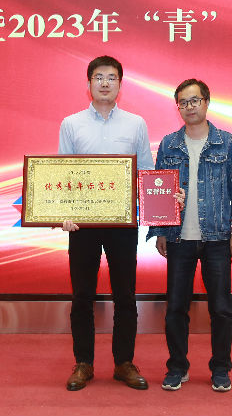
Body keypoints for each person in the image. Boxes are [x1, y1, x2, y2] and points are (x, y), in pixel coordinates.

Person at [58, 55, 155, 391]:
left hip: (123, 222)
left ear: (120, 85)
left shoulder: (136, 124)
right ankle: (83, 363)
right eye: (98, 77)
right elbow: (63, 174)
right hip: (82, 223)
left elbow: (146, 173)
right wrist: (63, 213)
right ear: (88, 84)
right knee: (82, 295)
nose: (104, 83)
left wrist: (158, 208)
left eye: (111, 77)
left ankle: (124, 363)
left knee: (125, 295)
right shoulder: (71, 124)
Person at [147, 78, 232, 393]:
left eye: (195, 101)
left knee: (221, 308)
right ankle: (177, 367)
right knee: (176, 308)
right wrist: (160, 231)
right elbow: (159, 189)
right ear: (177, 107)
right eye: (183, 102)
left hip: (218, 237)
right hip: (179, 238)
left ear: (206, 102)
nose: (189, 107)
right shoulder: (169, 144)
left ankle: (220, 369)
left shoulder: (227, 143)